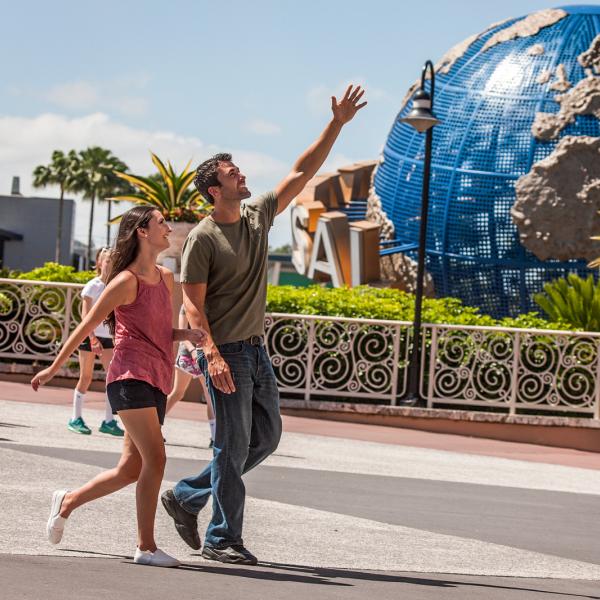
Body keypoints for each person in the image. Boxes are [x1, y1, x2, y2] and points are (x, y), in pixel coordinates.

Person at [161, 84, 367, 565]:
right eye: (234, 173)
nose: (243, 175)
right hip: (226, 352)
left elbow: (301, 172)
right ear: (216, 189)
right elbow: (192, 306)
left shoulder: (257, 216)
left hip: (255, 350)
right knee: (231, 445)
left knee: (265, 438)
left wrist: (336, 123)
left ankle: (188, 495)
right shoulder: (204, 239)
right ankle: (221, 538)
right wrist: (210, 356)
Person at [31, 206, 206, 568]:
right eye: (161, 223)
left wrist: (185, 334)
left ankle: (67, 501)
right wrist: (53, 368)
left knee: (130, 469)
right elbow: (87, 325)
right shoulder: (125, 281)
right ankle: (146, 546)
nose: (168, 228)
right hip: (129, 378)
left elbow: (159, 330)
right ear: (142, 231)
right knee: (156, 459)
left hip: (157, 379)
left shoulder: (166, 277)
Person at [68, 247, 124, 437]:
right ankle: (75, 418)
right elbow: (86, 315)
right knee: (86, 377)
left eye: (112, 260)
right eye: (106, 260)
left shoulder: (115, 286)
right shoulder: (92, 285)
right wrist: (92, 338)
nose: (109, 263)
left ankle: (108, 421)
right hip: (89, 337)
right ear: (99, 263)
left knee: (111, 378)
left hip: (108, 338)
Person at [166, 305, 215, 446]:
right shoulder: (185, 306)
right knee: (177, 393)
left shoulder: (211, 302)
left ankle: (215, 437)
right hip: (188, 356)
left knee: (210, 397)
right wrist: (193, 351)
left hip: (206, 357)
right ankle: (155, 427)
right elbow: (183, 334)